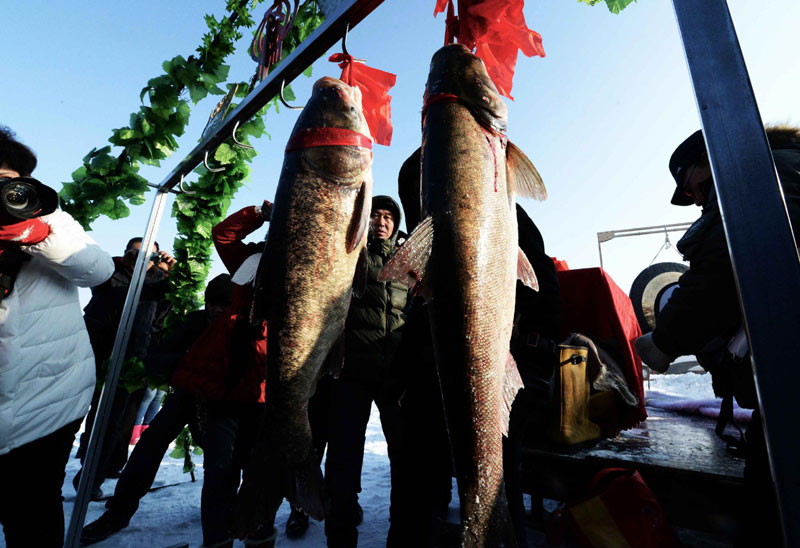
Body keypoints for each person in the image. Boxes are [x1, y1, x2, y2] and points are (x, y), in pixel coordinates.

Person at [635, 125, 800, 546]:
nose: (691, 197)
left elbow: (718, 274)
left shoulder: (760, 177)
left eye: (688, 184)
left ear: (706, 160)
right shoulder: (781, 167)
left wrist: (662, 342)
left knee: (769, 518)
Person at [84, 202, 275, 548]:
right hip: (195, 390)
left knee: (229, 470)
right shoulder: (244, 275)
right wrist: (259, 216)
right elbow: (224, 234)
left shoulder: (294, 289)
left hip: (240, 395)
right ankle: (118, 513)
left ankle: (242, 532)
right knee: (149, 451)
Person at [0, 126, 114, 547]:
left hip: (46, 402)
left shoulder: (53, 220)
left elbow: (98, 270)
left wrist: (40, 237)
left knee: (32, 519)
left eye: (9, 184)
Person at [80, 273, 233, 545]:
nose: (217, 310)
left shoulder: (240, 326)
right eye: (213, 303)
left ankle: (222, 524)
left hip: (224, 404)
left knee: (221, 463)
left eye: (224, 305)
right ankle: (118, 511)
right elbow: (159, 356)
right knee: (149, 445)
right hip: (188, 394)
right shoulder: (195, 321)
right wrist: (189, 362)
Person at [324, 195, 410, 548]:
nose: (382, 221)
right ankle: (340, 535)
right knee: (343, 460)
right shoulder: (351, 251)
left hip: (396, 374)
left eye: (388, 216)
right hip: (352, 372)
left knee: (404, 459)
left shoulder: (409, 255)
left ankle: (403, 533)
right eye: (375, 215)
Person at [75, 236, 176, 497]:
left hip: (139, 358)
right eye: (135, 253)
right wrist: (123, 264)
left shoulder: (158, 281)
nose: (142, 260)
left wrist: (167, 275)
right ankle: (89, 476)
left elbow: (162, 316)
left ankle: (111, 466)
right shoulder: (110, 273)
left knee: (126, 419)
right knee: (102, 417)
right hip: (104, 354)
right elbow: (103, 291)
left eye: (149, 257)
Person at [503, 204, 563, 547]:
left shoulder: (530, 269)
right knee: (507, 465)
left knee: (504, 467)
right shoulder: (541, 264)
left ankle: (511, 537)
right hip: (531, 370)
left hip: (522, 373)